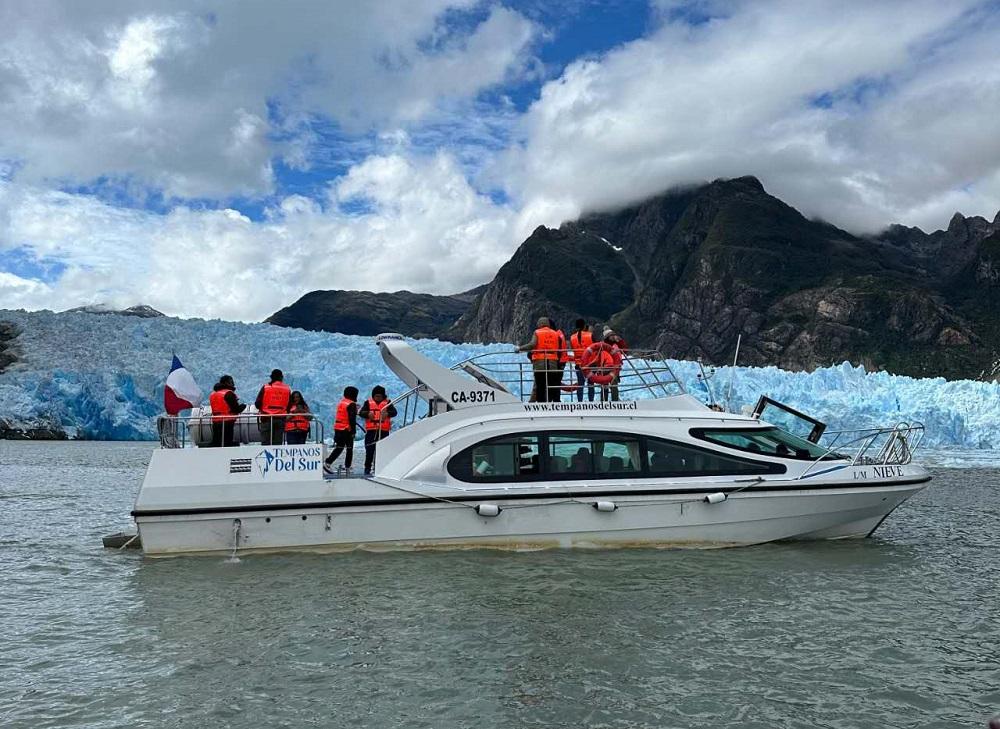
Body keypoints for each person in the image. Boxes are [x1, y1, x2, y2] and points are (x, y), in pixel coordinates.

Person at [517, 317, 562, 402]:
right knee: (551, 384)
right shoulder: (555, 334)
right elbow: (558, 348)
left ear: (540, 324)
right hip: (552, 363)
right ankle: (553, 402)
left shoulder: (537, 332)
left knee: (540, 385)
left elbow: (532, 345)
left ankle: (541, 403)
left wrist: (520, 348)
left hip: (540, 363)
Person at [358, 385, 398, 475]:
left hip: (383, 430)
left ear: (383, 396)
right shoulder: (368, 403)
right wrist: (368, 413)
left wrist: (387, 413)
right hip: (371, 430)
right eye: (376, 396)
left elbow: (394, 412)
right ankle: (367, 468)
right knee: (369, 450)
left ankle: (380, 468)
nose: (378, 398)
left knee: (382, 450)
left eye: (380, 396)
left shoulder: (388, 403)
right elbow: (361, 413)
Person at [324, 386, 358, 474]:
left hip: (338, 428)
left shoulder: (342, 402)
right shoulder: (351, 404)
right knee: (349, 448)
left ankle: (328, 462)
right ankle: (347, 467)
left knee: (339, 447)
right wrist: (353, 431)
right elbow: (352, 419)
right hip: (347, 429)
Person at [255, 369, 291, 445]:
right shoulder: (287, 389)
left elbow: (257, 403)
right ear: (281, 377)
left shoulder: (266, 387)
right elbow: (289, 405)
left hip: (266, 418)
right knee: (277, 443)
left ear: (271, 377)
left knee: (266, 442)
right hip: (280, 418)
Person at [209, 375, 246, 447]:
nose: (233, 384)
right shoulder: (228, 393)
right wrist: (243, 406)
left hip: (216, 422)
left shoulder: (213, 394)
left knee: (217, 443)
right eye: (231, 381)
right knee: (227, 443)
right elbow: (236, 409)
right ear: (227, 383)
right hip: (227, 422)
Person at [569, 319, 595, 402]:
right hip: (590, 363)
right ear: (584, 326)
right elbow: (596, 347)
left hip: (578, 363)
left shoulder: (572, 337)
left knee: (580, 384)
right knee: (591, 384)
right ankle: (591, 402)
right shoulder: (590, 335)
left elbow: (573, 349)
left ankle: (580, 402)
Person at [601, 327, 628, 402]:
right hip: (605, 368)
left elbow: (625, 350)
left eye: (613, 335)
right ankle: (603, 402)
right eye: (611, 335)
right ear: (607, 337)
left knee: (614, 386)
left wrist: (620, 340)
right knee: (604, 386)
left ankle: (615, 402)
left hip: (614, 368)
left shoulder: (617, 344)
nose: (613, 336)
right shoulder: (602, 345)